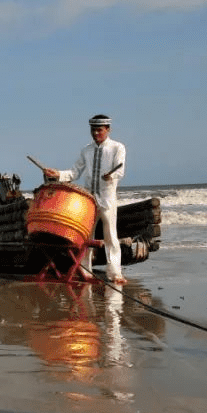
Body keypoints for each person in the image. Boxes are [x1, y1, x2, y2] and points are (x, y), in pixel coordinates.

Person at [44, 114, 127, 285]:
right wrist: (58, 174)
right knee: (85, 236)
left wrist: (110, 176)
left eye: (100, 130)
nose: (96, 133)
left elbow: (120, 171)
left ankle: (115, 273)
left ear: (108, 129)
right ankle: (84, 271)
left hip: (107, 198)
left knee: (111, 235)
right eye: (93, 130)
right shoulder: (86, 150)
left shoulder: (117, 148)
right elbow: (74, 172)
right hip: (88, 200)